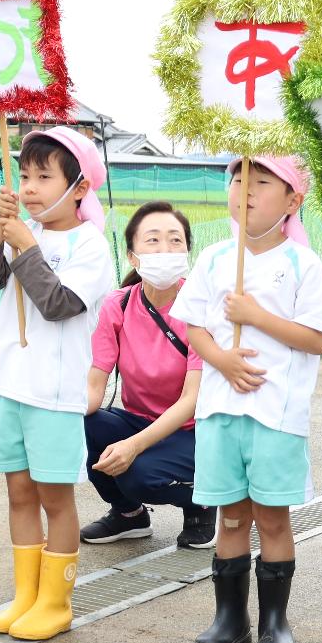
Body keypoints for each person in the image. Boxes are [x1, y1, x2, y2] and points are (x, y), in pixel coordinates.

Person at [173, 156, 322, 643]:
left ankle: (274, 621)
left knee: (272, 517)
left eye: (260, 182)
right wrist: (219, 358)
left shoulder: (304, 264)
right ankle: (229, 618)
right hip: (221, 410)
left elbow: (316, 338)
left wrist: (255, 316)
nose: (244, 190)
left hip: (277, 415)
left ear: (292, 201)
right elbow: (194, 324)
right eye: (237, 180)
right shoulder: (216, 258)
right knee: (232, 517)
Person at [0, 127, 115, 641]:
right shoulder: (20, 229)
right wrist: (0, 229)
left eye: (43, 176)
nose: (30, 187)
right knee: (18, 493)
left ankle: (56, 602)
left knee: (55, 497)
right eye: (25, 176)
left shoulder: (90, 245)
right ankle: (26, 596)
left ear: (77, 187)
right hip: (8, 383)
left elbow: (59, 306)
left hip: (53, 393)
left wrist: (27, 245)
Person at [81, 202, 210, 550]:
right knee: (81, 425)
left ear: (187, 250)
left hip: (195, 431)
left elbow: (191, 401)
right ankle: (128, 515)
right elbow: (94, 388)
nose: (165, 249)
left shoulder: (201, 306)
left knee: (139, 474)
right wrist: (52, 414)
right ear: (133, 256)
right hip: (139, 420)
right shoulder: (118, 305)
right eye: (152, 240)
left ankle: (206, 502)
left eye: (175, 240)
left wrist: (132, 446)